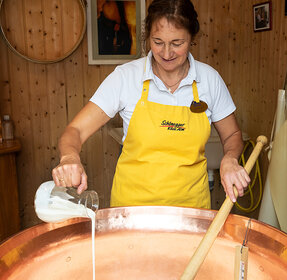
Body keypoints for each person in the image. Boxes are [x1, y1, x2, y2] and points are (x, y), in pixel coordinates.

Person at [52, 0, 250, 208]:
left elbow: (232, 135)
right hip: (132, 211)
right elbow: (75, 130)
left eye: (177, 43)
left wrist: (230, 158)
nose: (166, 53)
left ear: (192, 38)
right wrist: (69, 157)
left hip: (192, 212)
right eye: (158, 42)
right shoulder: (125, 78)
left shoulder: (209, 79)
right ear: (147, 36)